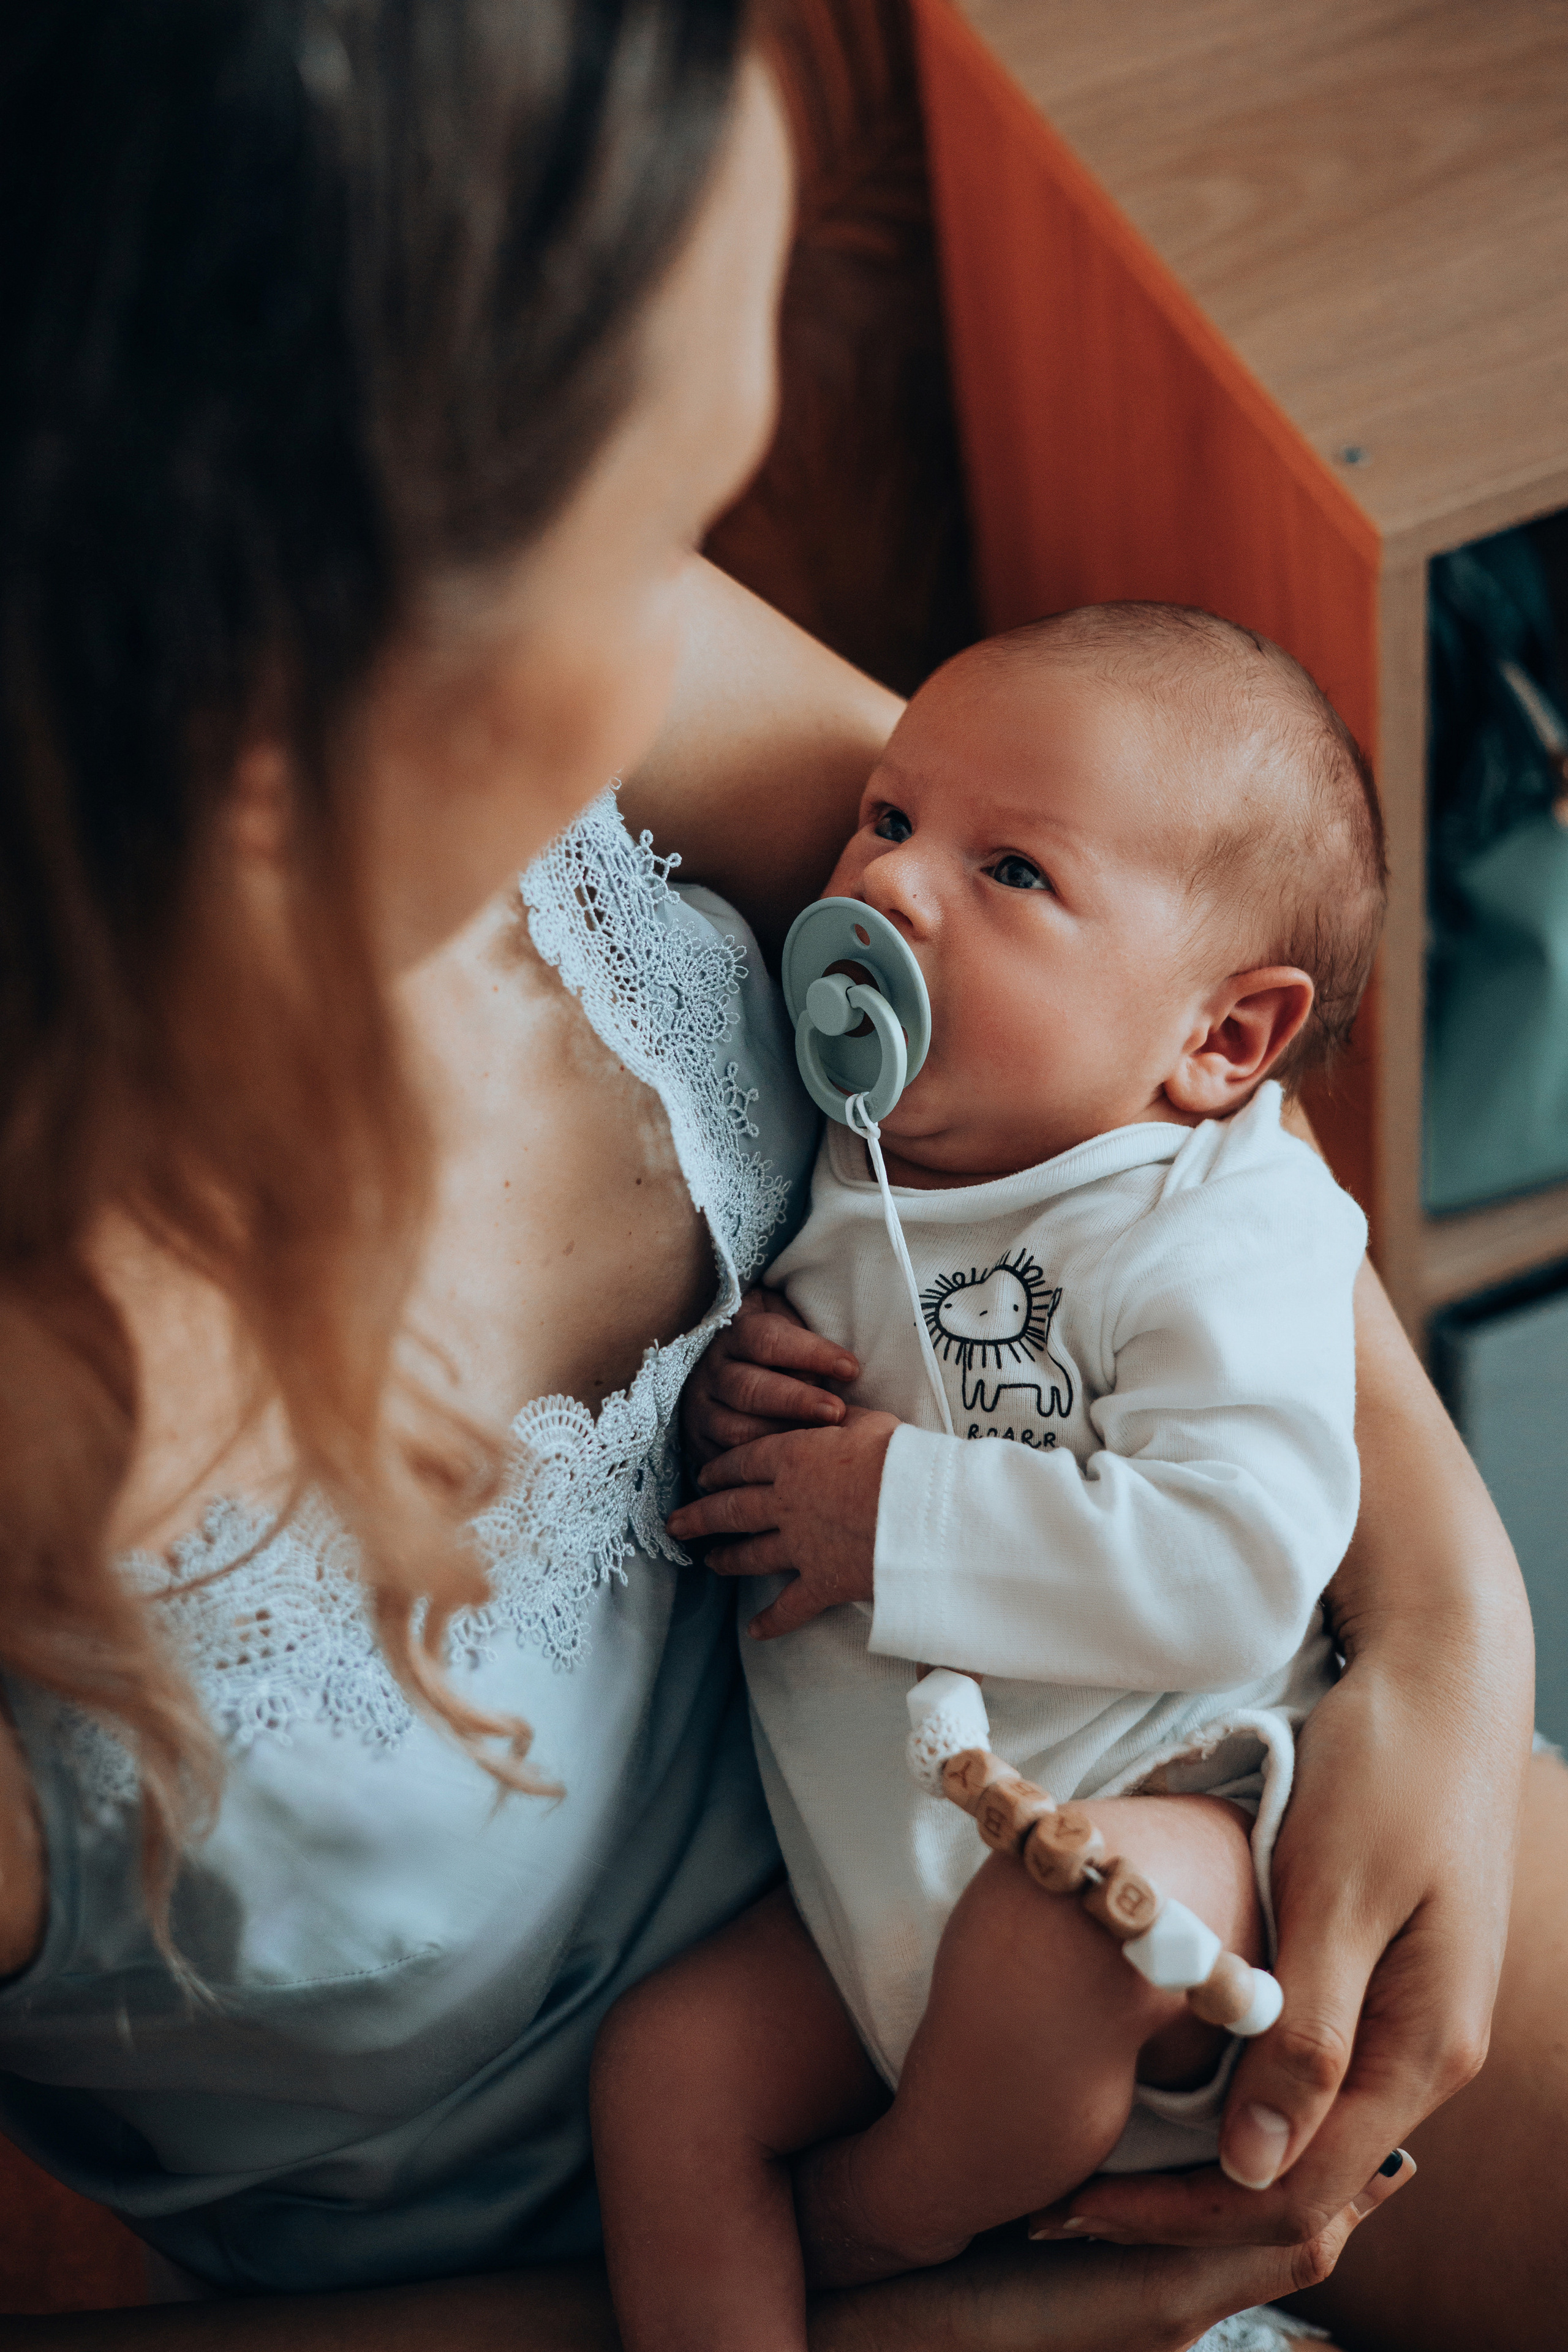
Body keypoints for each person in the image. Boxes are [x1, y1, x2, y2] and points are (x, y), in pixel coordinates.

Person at [0, 6, 1557, 2350]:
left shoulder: (479, 604)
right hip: (634, 2248)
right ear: (278, 678)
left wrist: (1444, 1604)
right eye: (659, 530)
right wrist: (925, 2312)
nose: (698, 635)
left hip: (1125, 1738)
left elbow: (1147, 1003)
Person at [592, 605, 1390, 2350]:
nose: (887, 888)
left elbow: (1243, 1555)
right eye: (885, 819)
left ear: (1226, 1041)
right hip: (875, 1897)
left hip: (1167, 1839)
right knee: (667, 2076)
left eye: (1011, 871)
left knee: (1076, 1922)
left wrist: (887, 1510)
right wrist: (740, 1399)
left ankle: (887, 2221)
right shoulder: (852, 1164)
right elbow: (804, 1420)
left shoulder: (1216, 1218)